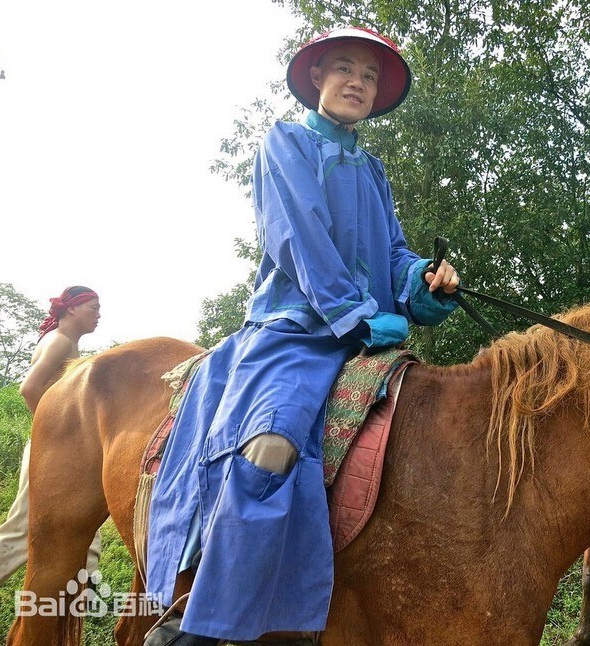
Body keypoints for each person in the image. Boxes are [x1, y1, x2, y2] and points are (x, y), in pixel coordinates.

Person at [144, 27, 459, 646]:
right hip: (294, 330)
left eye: (369, 77)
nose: (358, 84)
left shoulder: (372, 170)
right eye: (345, 70)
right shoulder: (284, 142)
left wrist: (425, 280)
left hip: (364, 334)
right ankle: (208, 623)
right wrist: (357, 316)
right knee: (272, 447)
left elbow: (393, 254)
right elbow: (299, 237)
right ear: (317, 78)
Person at [0, 286, 102, 605]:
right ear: (72, 309)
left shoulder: (66, 342)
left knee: (87, 517)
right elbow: (28, 388)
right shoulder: (59, 341)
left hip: (63, 451)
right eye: (93, 307)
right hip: (52, 450)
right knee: (22, 531)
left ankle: (82, 590)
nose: (99, 314)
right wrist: (52, 434)